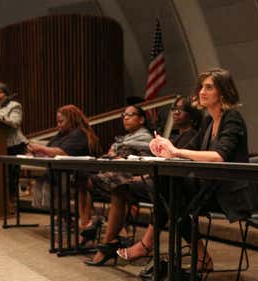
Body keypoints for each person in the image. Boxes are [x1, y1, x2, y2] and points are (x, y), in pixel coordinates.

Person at [113, 70, 257, 270]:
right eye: (201, 87)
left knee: (168, 194)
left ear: (223, 92)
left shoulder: (232, 118)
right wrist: (165, 149)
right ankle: (197, 256)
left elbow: (218, 156)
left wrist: (177, 151)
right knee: (167, 191)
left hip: (229, 193)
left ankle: (152, 247)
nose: (201, 91)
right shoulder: (208, 121)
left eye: (209, 87)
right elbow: (189, 149)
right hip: (209, 187)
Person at [85, 96, 201, 265]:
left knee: (133, 188)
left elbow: (179, 167)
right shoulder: (175, 137)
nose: (175, 113)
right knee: (111, 184)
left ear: (192, 114)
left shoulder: (193, 136)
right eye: (173, 109)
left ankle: (116, 243)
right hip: (164, 182)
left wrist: (144, 176)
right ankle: (116, 238)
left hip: (182, 186)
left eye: (180, 110)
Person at [78, 104, 154, 247]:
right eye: (123, 115)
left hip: (132, 177)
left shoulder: (146, 138)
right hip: (117, 174)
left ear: (141, 119)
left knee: (115, 186)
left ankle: (103, 229)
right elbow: (112, 154)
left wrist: (116, 156)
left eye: (129, 115)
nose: (125, 118)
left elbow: (143, 163)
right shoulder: (125, 138)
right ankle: (89, 223)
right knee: (81, 178)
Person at [28, 104, 102, 228]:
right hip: (66, 173)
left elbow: (63, 152)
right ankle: (65, 218)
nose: (58, 125)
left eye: (61, 121)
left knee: (60, 179)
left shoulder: (79, 134)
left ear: (72, 120)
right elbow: (50, 149)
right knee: (51, 178)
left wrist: (41, 148)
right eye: (57, 122)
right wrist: (36, 151)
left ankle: (80, 222)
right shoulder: (62, 134)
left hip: (84, 175)